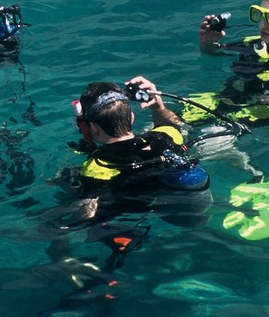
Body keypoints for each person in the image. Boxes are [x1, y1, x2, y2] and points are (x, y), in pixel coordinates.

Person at [66, 77, 210, 225]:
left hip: (136, 214)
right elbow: (169, 123)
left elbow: (88, 209)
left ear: (93, 128)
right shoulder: (166, 137)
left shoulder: (95, 167)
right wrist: (158, 106)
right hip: (174, 199)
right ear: (132, 118)